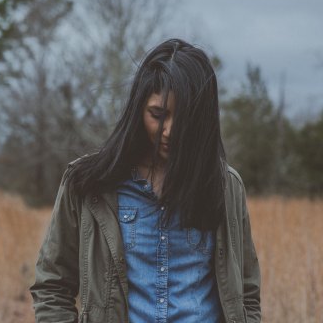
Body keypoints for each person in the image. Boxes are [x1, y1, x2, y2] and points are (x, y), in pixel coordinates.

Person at [30, 39, 261, 323]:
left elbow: (246, 293)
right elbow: (52, 285)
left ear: (202, 119)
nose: (170, 131)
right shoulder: (88, 184)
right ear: (139, 109)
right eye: (158, 114)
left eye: (185, 118)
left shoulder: (226, 186)